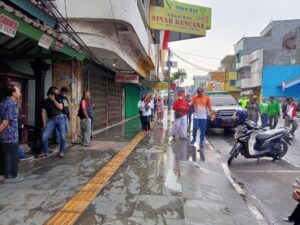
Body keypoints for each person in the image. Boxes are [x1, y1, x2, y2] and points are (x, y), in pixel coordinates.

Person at [0, 85, 23, 183]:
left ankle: (4, 175)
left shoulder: (4, 102)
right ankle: (10, 177)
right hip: (10, 135)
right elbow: (5, 122)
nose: (19, 93)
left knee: (5, 156)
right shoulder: (10, 104)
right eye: (18, 91)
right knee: (11, 156)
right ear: (13, 93)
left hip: (5, 136)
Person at [40, 86, 66, 158]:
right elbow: (43, 113)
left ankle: (61, 151)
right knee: (44, 136)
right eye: (55, 93)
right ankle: (45, 152)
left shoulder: (58, 99)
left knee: (63, 137)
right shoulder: (44, 102)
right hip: (51, 120)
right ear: (50, 93)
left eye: (57, 93)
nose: (56, 95)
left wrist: (54, 100)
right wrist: (44, 124)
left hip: (60, 118)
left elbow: (61, 107)